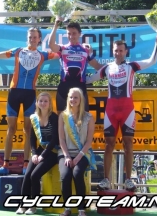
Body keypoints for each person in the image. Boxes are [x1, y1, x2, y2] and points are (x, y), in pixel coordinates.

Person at [86, 33, 157, 191]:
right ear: (113, 51)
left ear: (125, 52)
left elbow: (152, 61)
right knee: (109, 145)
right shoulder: (107, 68)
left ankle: (129, 179)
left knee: (128, 144)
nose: (118, 53)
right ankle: (106, 179)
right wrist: (71, 80)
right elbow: (90, 79)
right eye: (115, 50)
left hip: (127, 110)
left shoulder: (132, 66)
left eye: (121, 50)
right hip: (111, 112)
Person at [0, 27, 58, 175]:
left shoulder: (43, 55)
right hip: (14, 92)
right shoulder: (18, 51)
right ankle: (6, 165)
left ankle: (26, 165)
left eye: (35, 37)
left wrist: (82, 49)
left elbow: (60, 54)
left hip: (30, 94)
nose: (32, 39)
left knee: (28, 130)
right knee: (11, 129)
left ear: (39, 39)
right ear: (27, 38)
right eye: (30, 37)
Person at [16, 92, 59, 215]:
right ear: (37, 103)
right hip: (39, 151)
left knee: (34, 176)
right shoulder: (34, 117)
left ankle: (33, 206)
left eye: (46, 101)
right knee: (27, 175)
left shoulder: (54, 117)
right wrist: (34, 153)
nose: (43, 103)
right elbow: (32, 138)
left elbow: (55, 139)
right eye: (41, 101)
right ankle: (23, 205)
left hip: (52, 151)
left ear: (50, 103)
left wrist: (42, 156)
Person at [48, 20, 102, 114]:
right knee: (62, 121)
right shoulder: (63, 48)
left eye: (74, 33)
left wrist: (114, 68)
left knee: (83, 121)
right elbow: (51, 45)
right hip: (63, 89)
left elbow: (98, 66)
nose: (71, 36)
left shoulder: (86, 50)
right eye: (69, 33)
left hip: (80, 88)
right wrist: (55, 26)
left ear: (79, 34)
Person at [58, 87, 96, 216]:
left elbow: (89, 141)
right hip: (65, 153)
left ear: (81, 100)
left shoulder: (89, 117)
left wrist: (79, 157)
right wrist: (67, 157)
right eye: (71, 97)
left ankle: (81, 209)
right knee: (65, 175)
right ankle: (67, 209)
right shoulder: (63, 116)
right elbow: (61, 139)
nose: (73, 100)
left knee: (77, 174)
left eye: (76, 97)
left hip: (83, 153)